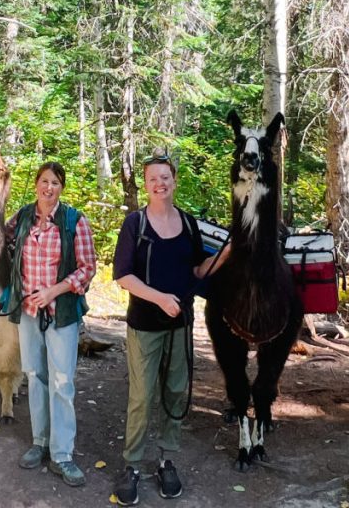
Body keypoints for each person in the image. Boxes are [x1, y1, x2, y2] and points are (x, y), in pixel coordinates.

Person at [112, 152, 229, 505]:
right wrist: (159, 298)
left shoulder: (189, 224)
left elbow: (196, 271)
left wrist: (227, 253)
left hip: (181, 324)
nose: (159, 184)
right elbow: (123, 276)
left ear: (174, 181)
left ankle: (166, 459)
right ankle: (132, 464)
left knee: (176, 392)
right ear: (146, 185)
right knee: (142, 396)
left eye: (165, 178)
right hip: (145, 325)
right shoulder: (136, 224)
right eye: (152, 179)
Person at [5, 161, 97, 487]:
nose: (48, 188)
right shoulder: (22, 217)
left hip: (62, 312)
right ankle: (39, 442)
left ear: (62, 187)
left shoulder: (75, 221)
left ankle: (62, 455)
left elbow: (87, 269)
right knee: (36, 375)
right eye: (44, 181)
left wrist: (54, 291)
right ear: (35, 185)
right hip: (29, 313)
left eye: (55, 182)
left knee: (62, 381)